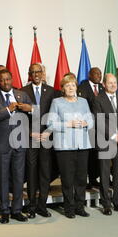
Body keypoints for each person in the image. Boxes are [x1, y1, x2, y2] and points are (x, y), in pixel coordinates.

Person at [0, 69, 33, 224]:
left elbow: (35, 113)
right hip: (2, 144)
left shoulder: (22, 95)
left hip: (20, 143)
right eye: (2, 80)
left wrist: (30, 109)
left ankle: (17, 210)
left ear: (12, 80)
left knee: (19, 179)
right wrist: (7, 110)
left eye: (8, 79)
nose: (6, 82)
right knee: (3, 179)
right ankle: (4, 211)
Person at [47, 73, 94, 218]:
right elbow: (51, 123)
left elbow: (91, 120)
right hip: (65, 146)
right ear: (62, 88)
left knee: (81, 179)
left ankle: (80, 206)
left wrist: (87, 123)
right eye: (67, 85)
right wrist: (69, 124)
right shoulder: (57, 102)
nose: (71, 88)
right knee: (67, 179)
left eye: (73, 85)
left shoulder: (83, 101)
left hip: (82, 145)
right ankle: (69, 208)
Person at [21, 63, 59, 218]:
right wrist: (29, 133)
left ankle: (42, 205)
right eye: (33, 72)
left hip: (46, 138)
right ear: (30, 74)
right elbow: (20, 116)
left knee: (44, 172)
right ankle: (31, 205)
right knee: (31, 172)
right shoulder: (23, 91)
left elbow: (54, 114)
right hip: (31, 138)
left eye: (39, 71)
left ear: (43, 73)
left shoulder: (52, 91)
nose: (36, 74)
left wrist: (48, 132)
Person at [93, 73, 118, 215]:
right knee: (104, 174)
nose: (113, 85)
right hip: (106, 142)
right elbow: (99, 120)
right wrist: (114, 136)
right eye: (110, 83)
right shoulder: (98, 99)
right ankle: (106, 204)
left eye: (115, 82)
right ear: (103, 84)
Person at [77, 67, 104, 188]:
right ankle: (87, 179)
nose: (99, 75)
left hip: (101, 127)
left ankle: (94, 178)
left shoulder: (103, 88)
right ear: (89, 75)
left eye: (100, 73)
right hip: (87, 127)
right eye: (96, 73)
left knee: (98, 154)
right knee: (88, 155)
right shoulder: (82, 88)